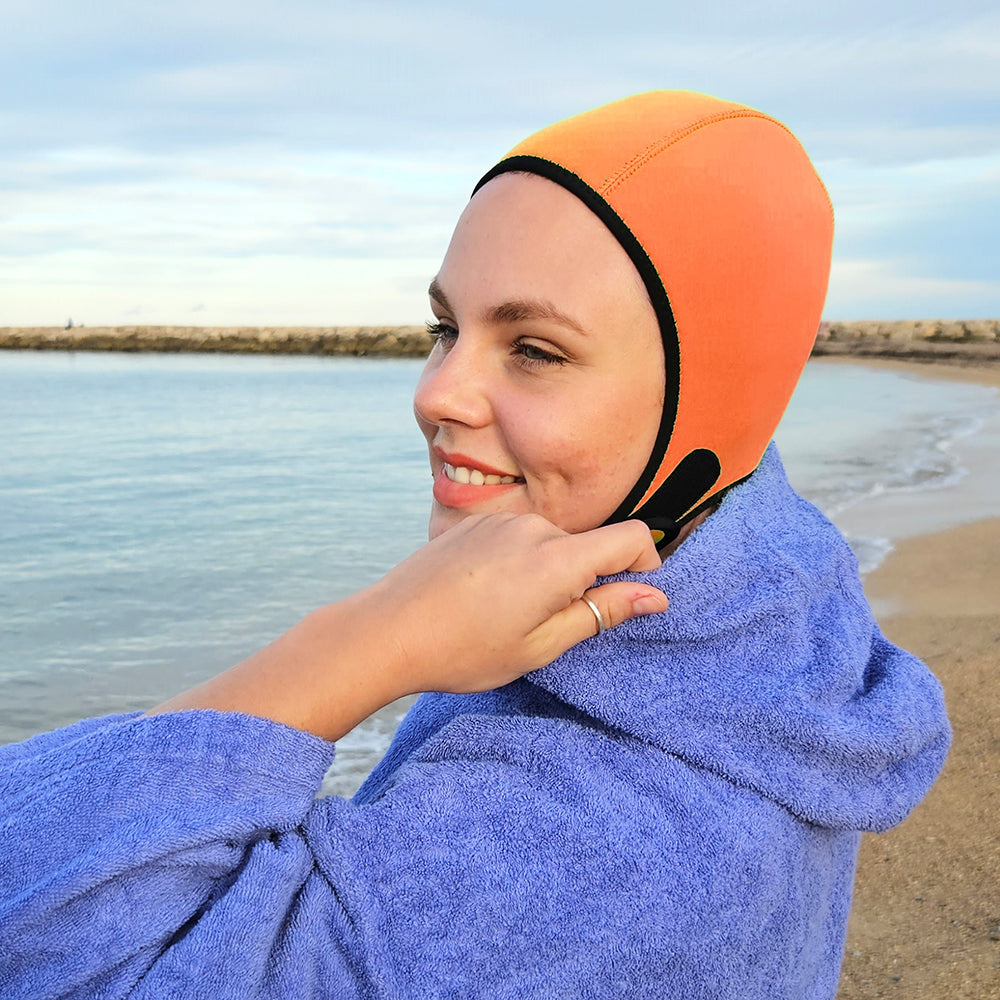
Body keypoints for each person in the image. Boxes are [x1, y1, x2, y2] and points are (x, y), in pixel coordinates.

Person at [0, 91, 948, 999]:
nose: (436, 393)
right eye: (444, 328)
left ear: (713, 404)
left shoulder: (588, 857)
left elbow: (51, 950)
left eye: (534, 349)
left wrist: (365, 642)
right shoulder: (766, 623)